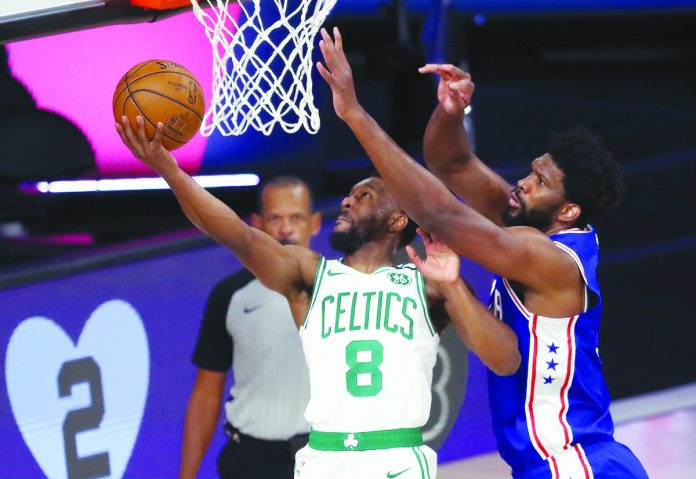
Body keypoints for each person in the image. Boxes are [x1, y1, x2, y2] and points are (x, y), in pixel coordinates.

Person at [316, 27, 648, 479]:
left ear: (568, 211)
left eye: (541, 183)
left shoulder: (549, 259)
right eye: (533, 171)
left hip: (575, 463)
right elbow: (452, 163)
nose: (524, 183)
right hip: (553, 463)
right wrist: (452, 113)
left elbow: (440, 213)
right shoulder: (526, 222)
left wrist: (355, 114)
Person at [115, 114, 519, 479]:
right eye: (349, 194)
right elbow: (233, 233)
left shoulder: (427, 283)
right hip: (323, 458)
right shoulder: (309, 275)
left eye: (365, 196)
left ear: (398, 219)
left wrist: (453, 287)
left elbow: (505, 361)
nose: (347, 200)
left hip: (395, 456)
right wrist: (169, 168)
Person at [179, 176, 321, 479]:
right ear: (256, 223)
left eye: (296, 217)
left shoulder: (342, 288)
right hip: (249, 461)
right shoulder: (229, 295)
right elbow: (206, 393)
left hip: (325, 458)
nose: (286, 229)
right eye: (275, 218)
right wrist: (186, 475)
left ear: (315, 223)